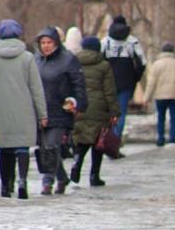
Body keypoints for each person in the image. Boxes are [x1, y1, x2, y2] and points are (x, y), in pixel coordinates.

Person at [0, 19, 48, 199]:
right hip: (24, 111)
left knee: (4, 149)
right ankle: (22, 182)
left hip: (0, 110)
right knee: (22, 148)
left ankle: (5, 186)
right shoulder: (28, 58)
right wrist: (42, 115)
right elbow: (36, 88)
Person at [35, 26, 86, 195]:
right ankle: (62, 177)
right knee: (45, 148)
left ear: (56, 43)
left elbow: (78, 83)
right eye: (43, 43)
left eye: (49, 42)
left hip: (60, 110)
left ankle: (47, 182)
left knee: (51, 146)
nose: (46, 46)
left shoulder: (68, 59)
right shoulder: (36, 60)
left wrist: (80, 104)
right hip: (40, 111)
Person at [70, 36, 120, 187]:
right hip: (99, 107)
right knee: (98, 142)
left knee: (82, 138)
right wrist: (114, 112)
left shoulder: (74, 63)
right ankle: (94, 176)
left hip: (80, 106)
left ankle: (77, 161)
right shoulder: (104, 65)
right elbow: (109, 91)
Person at [101, 15, 146, 143]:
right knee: (121, 113)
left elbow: (99, 60)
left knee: (108, 112)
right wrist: (135, 78)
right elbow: (142, 62)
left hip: (108, 81)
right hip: (126, 81)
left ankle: (106, 140)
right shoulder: (132, 41)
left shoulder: (105, 41)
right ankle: (115, 141)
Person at [144, 42, 175, 146]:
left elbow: (151, 83)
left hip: (160, 96)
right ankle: (172, 139)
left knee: (161, 117)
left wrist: (146, 98)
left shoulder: (157, 64)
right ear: (172, 51)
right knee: (174, 118)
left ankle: (161, 139)